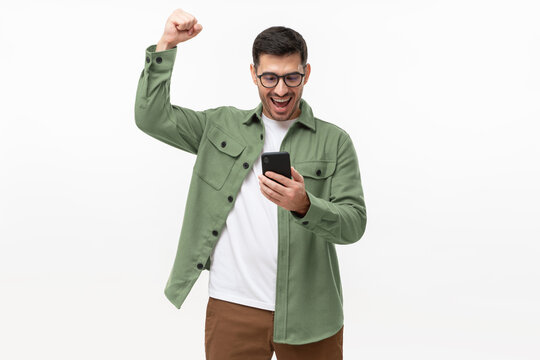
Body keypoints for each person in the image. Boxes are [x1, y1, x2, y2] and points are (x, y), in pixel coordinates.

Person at [134, 8, 367, 360]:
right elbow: (151, 117)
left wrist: (306, 205)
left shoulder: (334, 142)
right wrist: (166, 45)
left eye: (292, 78)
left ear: (306, 74)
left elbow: (354, 225)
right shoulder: (220, 126)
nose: (281, 90)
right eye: (269, 78)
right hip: (233, 306)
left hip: (311, 313)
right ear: (253, 74)